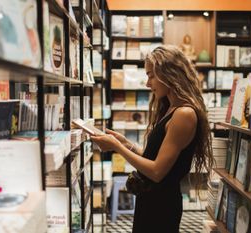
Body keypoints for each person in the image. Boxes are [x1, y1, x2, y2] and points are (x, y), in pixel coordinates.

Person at [91, 45, 213, 233]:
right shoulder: (172, 109)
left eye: (151, 75)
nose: (148, 84)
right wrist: (126, 143)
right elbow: (155, 158)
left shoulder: (184, 114)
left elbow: (157, 172)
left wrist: (117, 147)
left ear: (169, 74)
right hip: (151, 201)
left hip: (161, 207)